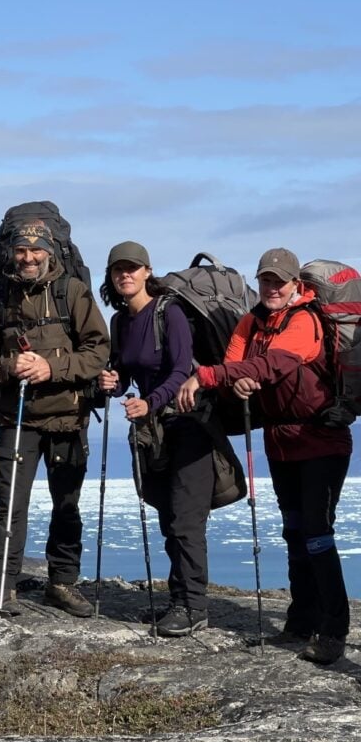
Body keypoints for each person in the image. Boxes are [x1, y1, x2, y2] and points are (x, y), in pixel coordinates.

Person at [177, 247, 352, 664]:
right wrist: (234, 383)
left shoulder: (306, 321)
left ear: (296, 284)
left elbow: (274, 365)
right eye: (266, 280)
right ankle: (301, 618)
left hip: (321, 440)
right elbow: (238, 365)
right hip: (280, 440)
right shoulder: (250, 321)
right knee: (294, 530)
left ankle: (333, 629)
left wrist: (206, 376)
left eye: (279, 281)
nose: (271, 288)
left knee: (316, 532)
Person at [0, 216, 109, 617]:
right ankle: (2, 588)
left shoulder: (73, 293)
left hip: (67, 418)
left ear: (50, 252)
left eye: (36, 250)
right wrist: (11, 367)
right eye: (22, 250)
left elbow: (99, 350)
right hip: (17, 420)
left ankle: (61, 584)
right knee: (10, 506)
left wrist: (52, 368)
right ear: (10, 252)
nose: (29, 258)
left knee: (66, 504)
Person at [97, 241, 215, 637]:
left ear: (148, 271)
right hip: (154, 431)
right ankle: (178, 600)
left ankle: (192, 606)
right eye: (118, 270)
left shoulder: (170, 313)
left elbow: (181, 370)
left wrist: (149, 403)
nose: (125, 275)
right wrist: (112, 384)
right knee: (168, 516)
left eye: (133, 268)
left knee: (185, 520)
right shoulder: (120, 323)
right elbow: (126, 375)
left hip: (190, 425)